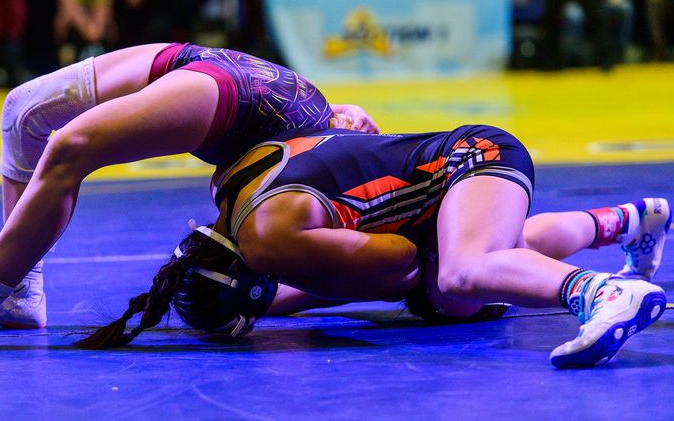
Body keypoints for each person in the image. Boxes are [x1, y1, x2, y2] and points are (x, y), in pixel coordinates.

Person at [0, 42, 378, 339]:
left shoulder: (327, 206)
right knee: (22, 111)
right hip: (215, 66)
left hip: (237, 94)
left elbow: (322, 281)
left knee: (71, 148)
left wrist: (249, 302)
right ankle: (19, 295)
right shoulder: (363, 167)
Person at [74, 126, 670, 368]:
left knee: (458, 281)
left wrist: (312, 292)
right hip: (453, 160)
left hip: (470, 163)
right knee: (479, 256)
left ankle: (602, 291)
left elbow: (407, 266)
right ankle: (629, 221)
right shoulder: (233, 190)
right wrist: (291, 296)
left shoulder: (270, 239)